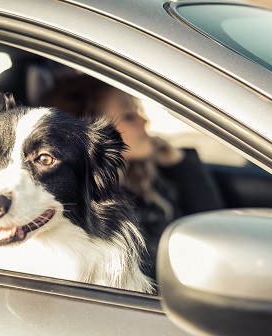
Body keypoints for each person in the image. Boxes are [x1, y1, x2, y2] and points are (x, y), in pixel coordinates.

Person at [41, 74, 223, 279]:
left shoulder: (144, 178)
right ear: (95, 136)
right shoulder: (101, 210)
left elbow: (213, 226)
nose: (144, 120)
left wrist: (177, 161)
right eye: (129, 116)